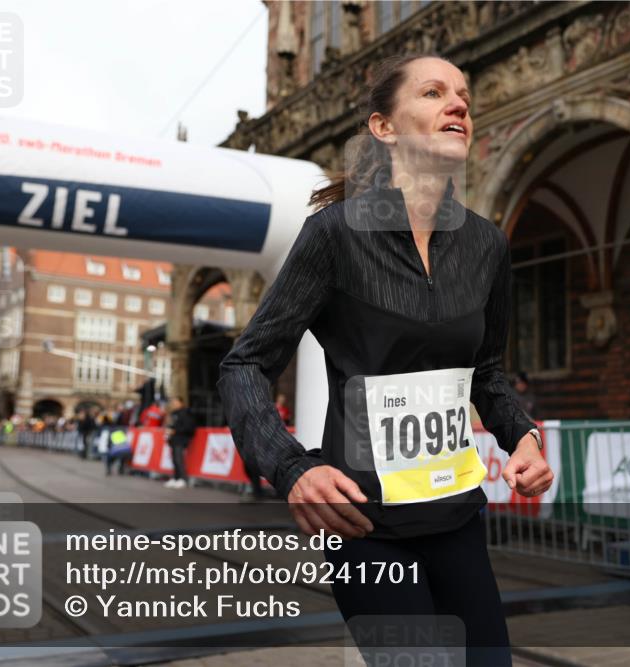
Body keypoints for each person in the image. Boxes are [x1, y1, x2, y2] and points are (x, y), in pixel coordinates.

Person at [217, 54, 552, 666]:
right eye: (433, 92)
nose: (458, 104)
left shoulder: (485, 244)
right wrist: (292, 468)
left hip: (456, 519)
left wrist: (522, 436)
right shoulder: (335, 235)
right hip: (364, 526)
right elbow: (245, 364)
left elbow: (487, 372)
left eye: (463, 95)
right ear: (384, 127)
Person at [164, 396, 195, 489]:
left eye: (175, 402)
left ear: (181, 403)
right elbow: (171, 425)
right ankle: (176, 478)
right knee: (174, 459)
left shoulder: (186, 413)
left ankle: (183, 479)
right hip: (173, 439)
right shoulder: (173, 413)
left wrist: (175, 431)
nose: (173, 404)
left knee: (178, 459)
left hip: (181, 439)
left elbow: (189, 427)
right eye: (173, 402)